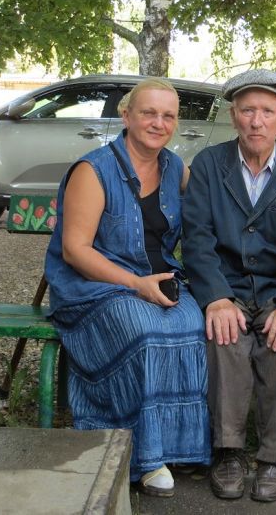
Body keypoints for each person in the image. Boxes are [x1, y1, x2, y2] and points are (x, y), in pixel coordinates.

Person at [44, 78, 210, 498]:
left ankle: (176, 445)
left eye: (168, 116)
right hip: (95, 286)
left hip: (158, 280)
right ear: (126, 116)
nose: (158, 123)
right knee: (144, 331)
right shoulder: (94, 171)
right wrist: (135, 284)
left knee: (194, 324)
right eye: (148, 113)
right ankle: (143, 456)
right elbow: (76, 250)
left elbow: (208, 214)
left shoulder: (175, 169)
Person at [182, 69, 276, 503]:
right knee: (223, 338)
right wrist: (216, 298)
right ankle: (228, 452)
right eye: (247, 111)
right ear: (233, 115)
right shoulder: (210, 165)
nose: (256, 121)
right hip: (227, 287)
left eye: (266, 111)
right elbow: (197, 239)